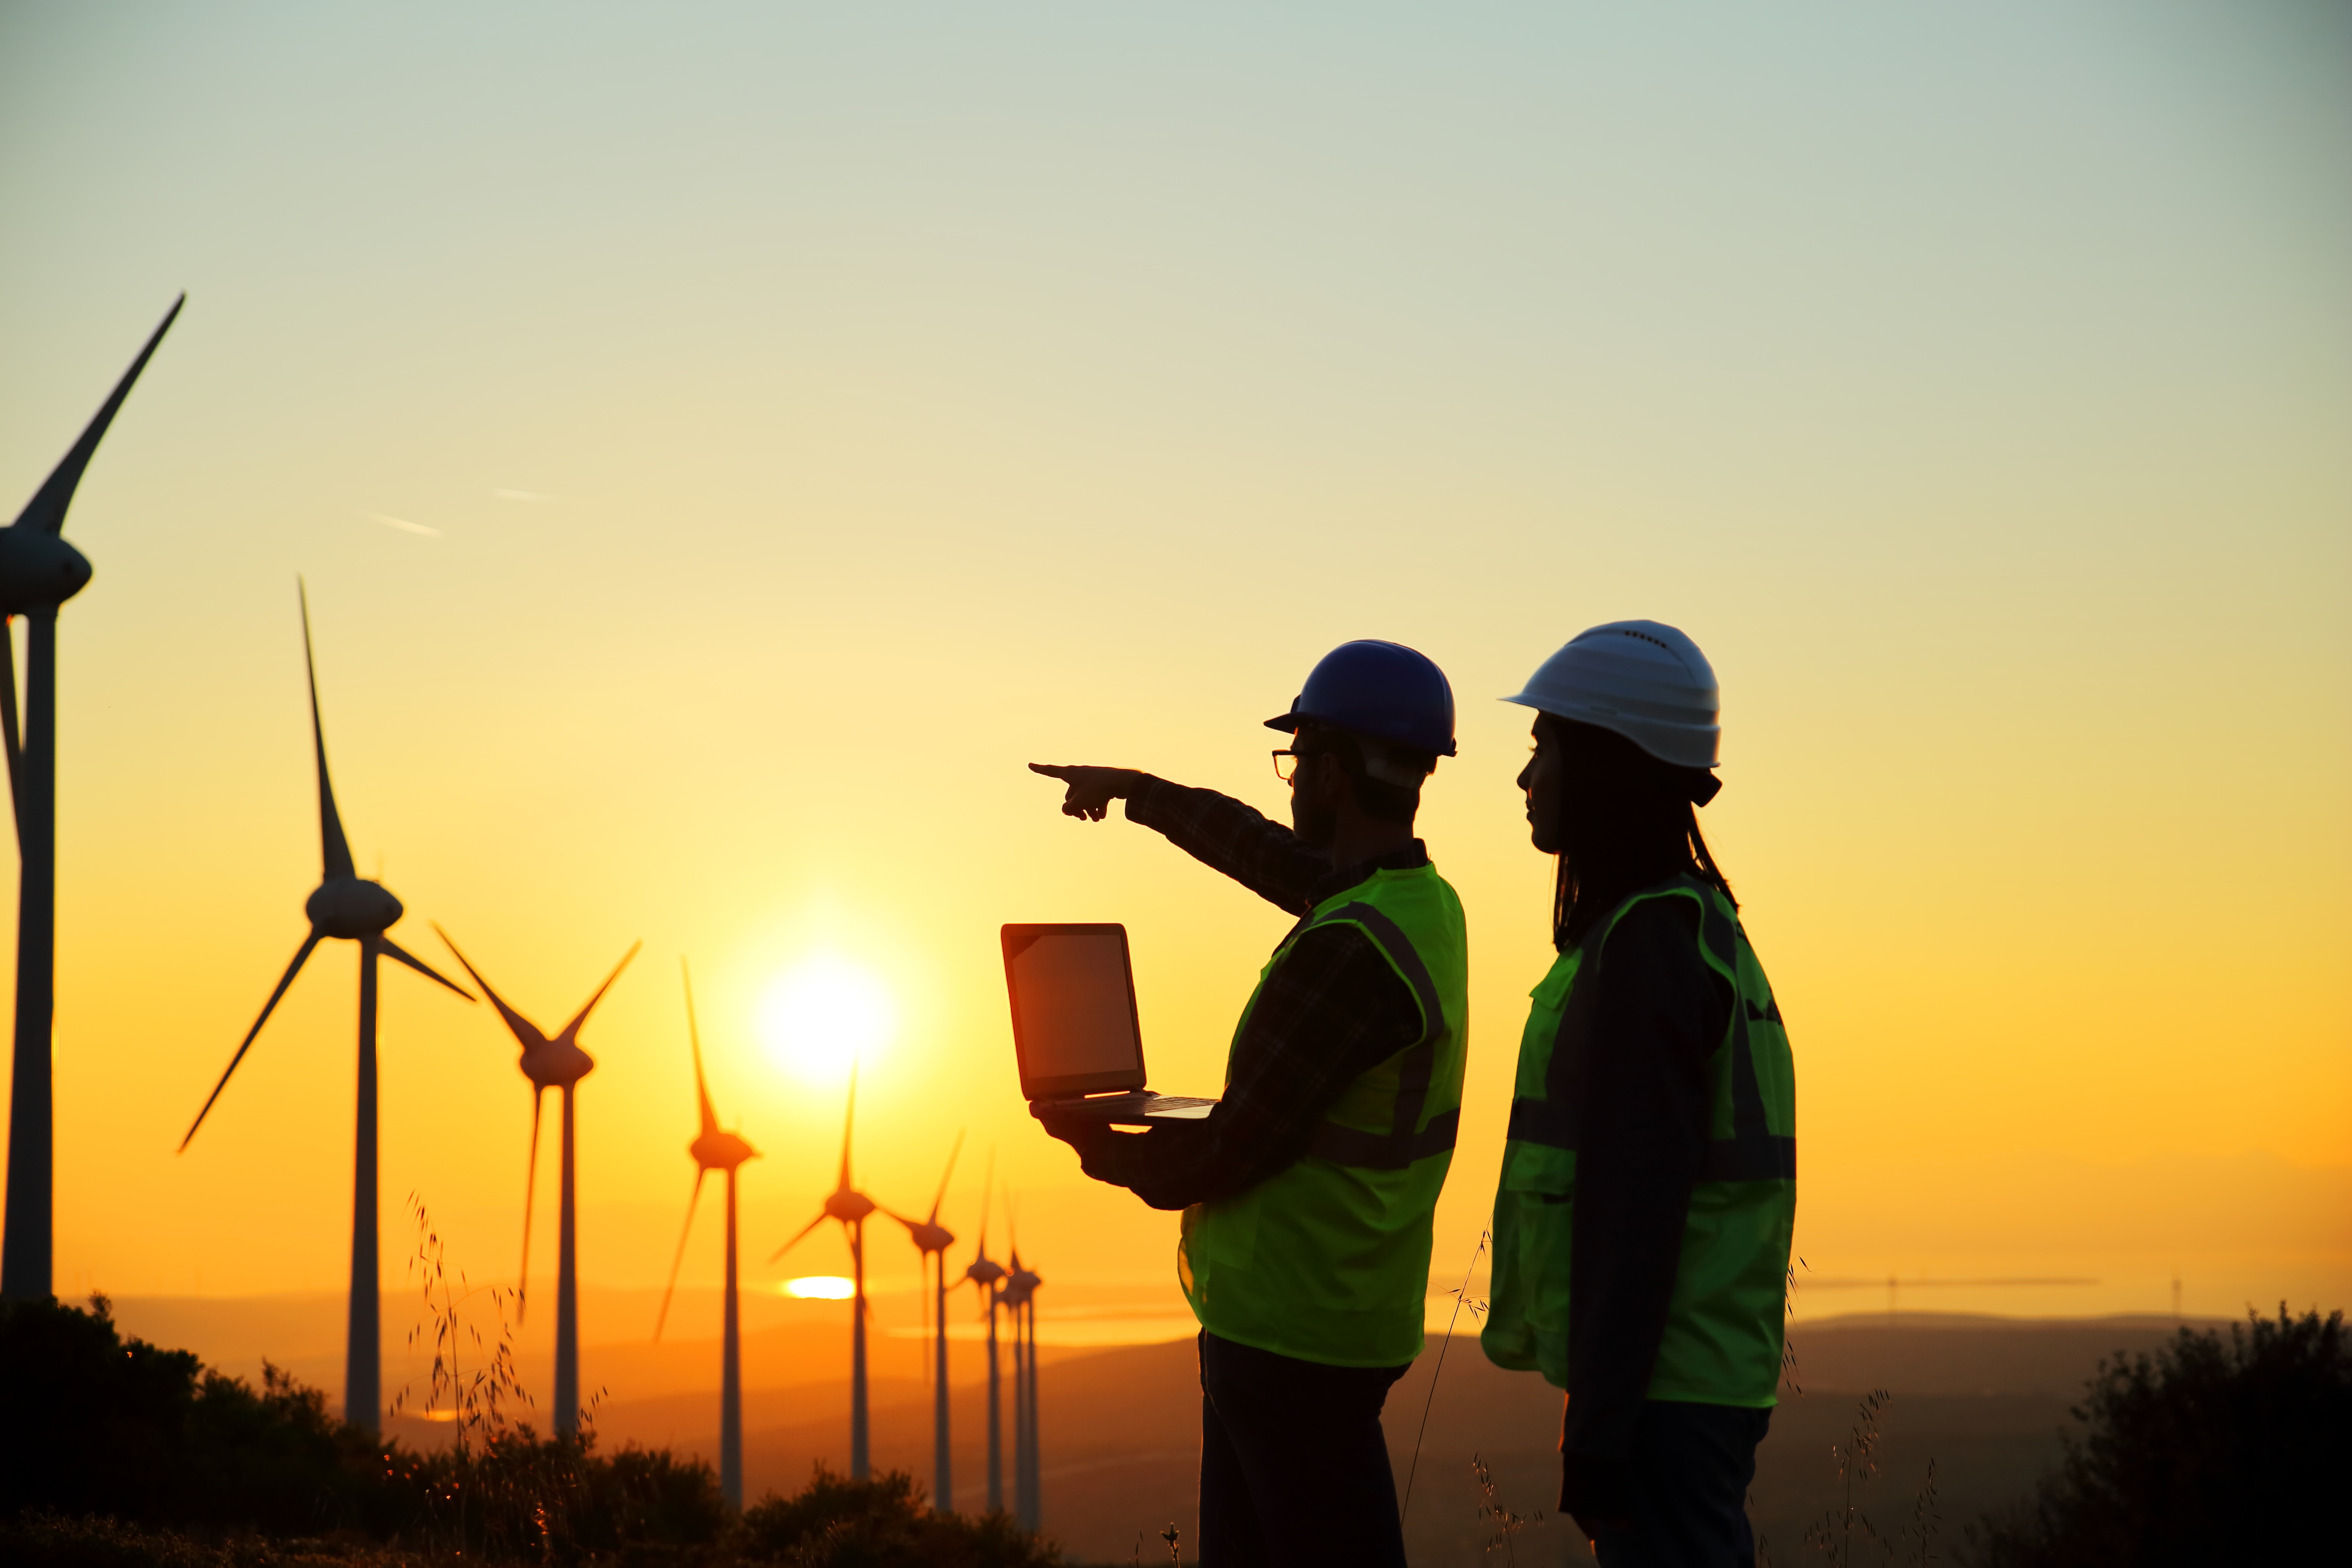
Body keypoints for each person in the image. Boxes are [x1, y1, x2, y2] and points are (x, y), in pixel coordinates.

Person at [1029, 639, 1468, 1568]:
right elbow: (1261, 850)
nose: (1289, 782)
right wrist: (1138, 792)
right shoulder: (1416, 904)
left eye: (1299, 758)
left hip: (1289, 1333)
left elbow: (1232, 1148)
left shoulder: (1345, 953)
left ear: (1338, 771)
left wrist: (1095, 1140)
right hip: (1339, 1315)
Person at [1479, 621, 1796, 1568]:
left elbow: (1636, 1203)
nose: (1526, 775)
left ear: (1610, 761)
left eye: (1545, 746)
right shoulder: (1697, 927)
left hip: (1666, 1390)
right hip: (1700, 1377)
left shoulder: (1647, 949)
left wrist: (1602, 1424)